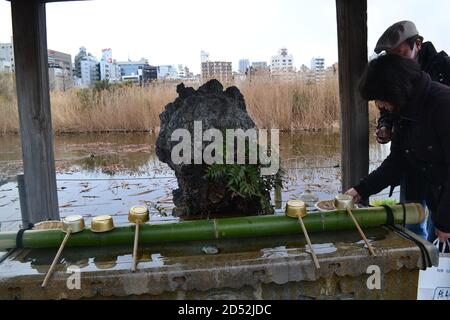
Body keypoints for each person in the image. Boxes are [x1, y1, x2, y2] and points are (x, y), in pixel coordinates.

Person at [345, 54, 450, 250]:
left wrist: (445, 222)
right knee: (437, 267)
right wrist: (360, 190)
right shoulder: (405, 111)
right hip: (438, 199)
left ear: (394, 89)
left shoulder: (443, 104)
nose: (378, 105)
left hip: (446, 204)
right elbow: (397, 161)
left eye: (379, 98)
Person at [372, 21, 450, 239]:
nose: (396, 61)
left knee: (441, 225)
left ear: (417, 44)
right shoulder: (393, 75)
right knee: (410, 224)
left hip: (441, 166)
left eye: (400, 53)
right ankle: (417, 267)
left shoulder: (443, 68)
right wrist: (385, 125)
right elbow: (388, 108)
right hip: (411, 159)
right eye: (392, 56)